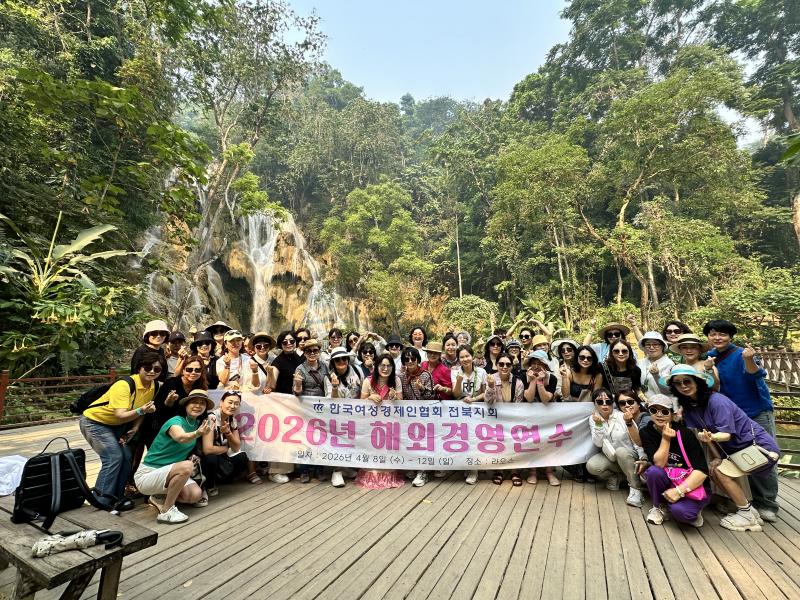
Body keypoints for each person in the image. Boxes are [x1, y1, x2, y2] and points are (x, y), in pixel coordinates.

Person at [662, 365, 780, 531]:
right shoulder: (691, 406)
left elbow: (725, 435)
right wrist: (717, 457)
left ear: (697, 381)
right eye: (677, 383)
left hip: (761, 449)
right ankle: (749, 511)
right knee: (715, 468)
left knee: (720, 472)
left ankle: (746, 514)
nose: (683, 386)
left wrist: (712, 437)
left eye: (687, 381)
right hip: (739, 451)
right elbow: (706, 436)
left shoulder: (717, 401)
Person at [703, 319, 780, 522]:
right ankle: (748, 500)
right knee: (740, 457)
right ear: (708, 337)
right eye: (713, 334)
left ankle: (767, 504)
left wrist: (749, 359)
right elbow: (712, 386)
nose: (717, 338)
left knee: (765, 455)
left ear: (730, 337)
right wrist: (708, 369)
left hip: (756, 411)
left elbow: (756, 375)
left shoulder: (742, 354)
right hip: (732, 416)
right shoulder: (710, 357)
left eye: (722, 334)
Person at [80, 351, 160, 510]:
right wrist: (141, 411)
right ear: (139, 368)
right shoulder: (124, 385)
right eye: (147, 367)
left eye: (156, 369)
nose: (152, 371)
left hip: (117, 425)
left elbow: (144, 409)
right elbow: (121, 413)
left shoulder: (153, 386)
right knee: (113, 456)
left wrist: (135, 428)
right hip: (95, 422)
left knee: (126, 456)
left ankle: (116, 497)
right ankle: (100, 500)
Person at [134, 390, 212, 523]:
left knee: (194, 495)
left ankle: (158, 497)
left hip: (169, 472)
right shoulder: (176, 421)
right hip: (148, 474)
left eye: (202, 403)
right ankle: (166, 510)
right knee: (187, 466)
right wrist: (198, 433)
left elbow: (194, 446)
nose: (198, 405)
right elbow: (180, 437)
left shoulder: (197, 423)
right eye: (194, 402)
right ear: (185, 405)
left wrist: (194, 454)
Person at [640, 394, 710, 527]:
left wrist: (679, 491)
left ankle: (690, 506)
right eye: (654, 410)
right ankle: (659, 506)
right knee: (653, 471)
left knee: (683, 514)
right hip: (668, 478)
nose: (659, 415)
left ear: (672, 414)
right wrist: (665, 439)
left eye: (665, 411)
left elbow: (701, 470)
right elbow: (659, 464)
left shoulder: (685, 433)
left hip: (689, 482)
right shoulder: (646, 432)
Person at [587, 388, 646, 505]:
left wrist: (643, 459)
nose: (604, 404)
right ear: (594, 404)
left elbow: (636, 441)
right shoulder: (593, 418)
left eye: (608, 401)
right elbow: (598, 443)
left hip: (629, 456)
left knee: (620, 451)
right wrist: (599, 425)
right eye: (600, 402)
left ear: (612, 403)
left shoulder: (622, 416)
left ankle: (636, 489)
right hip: (611, 457)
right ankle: (618, 477)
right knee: (592, 466)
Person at [356, 354, 404, 489]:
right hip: (372, 424)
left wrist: (394, 398)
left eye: (389, 365)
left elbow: (402, 403)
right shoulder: (368, 381)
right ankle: (372, 476)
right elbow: (360, 404)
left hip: (390, 424)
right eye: (382, 365)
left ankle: (388, 476)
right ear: (377, 366)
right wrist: (370, 397)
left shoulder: (396, 380)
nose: (385, 368)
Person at [142, 354, 207, 449]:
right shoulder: (171, 383)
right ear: (183, 370)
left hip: (186, 427)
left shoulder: (200, 387)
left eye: (197, 370)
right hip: (162, 426)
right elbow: (156, 410)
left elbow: (202, 410)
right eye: (189, 369)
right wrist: (168, 403)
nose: (193, 372)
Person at [200, 390, 256, 494]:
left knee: (242, 457)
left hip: (221, 454)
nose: (233, 406)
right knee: (211, 458)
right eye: (230, 402)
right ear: (221, 402)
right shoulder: (211, 418)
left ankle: (224, 480)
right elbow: (207, 449)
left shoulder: (232, 420)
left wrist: (228, 433)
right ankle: (210, 485)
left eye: (236, 404)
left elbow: (236, 446)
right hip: (207, 457)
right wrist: (226, 449)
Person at [485, 353, 525, 486]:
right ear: (496, 366)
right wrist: (490, 387)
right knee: (498, 443)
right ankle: (500, 470)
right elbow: (488, 402)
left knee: (514, 441)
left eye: (508, 364)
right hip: (494, 420)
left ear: (511, 366)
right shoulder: (490, 379)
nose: (504, 367)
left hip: (512, 419)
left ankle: (514, 471)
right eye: (501, 364)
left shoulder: (518, 382)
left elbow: (518, 405)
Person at [522, 350, 560, 486]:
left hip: (548, 416)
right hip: (529, 416)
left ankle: (549, 471)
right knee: (532, 442)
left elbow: (546, 399)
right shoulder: (523, 376)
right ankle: (533, 472)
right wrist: (533, 380)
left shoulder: (553, 378)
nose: (536, 366)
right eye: (533, 363)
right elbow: (529, 398)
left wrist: (540, 382)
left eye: (540, 363)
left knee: (548, 442)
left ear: (546, 365)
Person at [452, 345, 487, 485]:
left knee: (474, 439)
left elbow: (485, 392)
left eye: (467, 356)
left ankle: (474, 470)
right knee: (462, 439)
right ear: (458, 359)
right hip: (461, 411)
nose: (465, 359)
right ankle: (466, 466)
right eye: (462, 357)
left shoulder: (481, 372)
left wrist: (474, 399)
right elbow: (455, 394)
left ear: (472, 356)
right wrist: (460, 379)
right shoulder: (455, 372)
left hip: (477, 410)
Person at [637, 331, 674, 398]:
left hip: (663, 405)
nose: (651, 347)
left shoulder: (669, 364)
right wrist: (640, 394)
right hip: (644, 402)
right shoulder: (641, 362)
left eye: (655, 344)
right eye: (648, 344)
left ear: (662, 346)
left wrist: (656, 375)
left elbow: (668, 391)